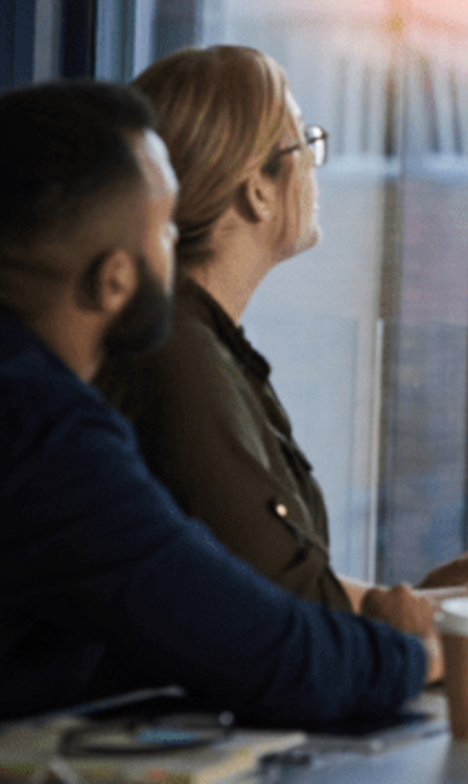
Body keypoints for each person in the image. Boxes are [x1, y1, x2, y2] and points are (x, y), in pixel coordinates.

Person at [97, 45, 468, 627]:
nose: (313, 161)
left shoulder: (200, 345)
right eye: (303, 142)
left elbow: (268, 581)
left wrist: (428, 596)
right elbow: (285, 613)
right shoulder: (183, 362)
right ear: (257, 189)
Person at [0, 81, 431, 725]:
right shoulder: (45, 438)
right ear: (114, 278)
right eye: (165, 230)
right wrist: (420, 653)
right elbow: (278, 656)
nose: (178, 250)